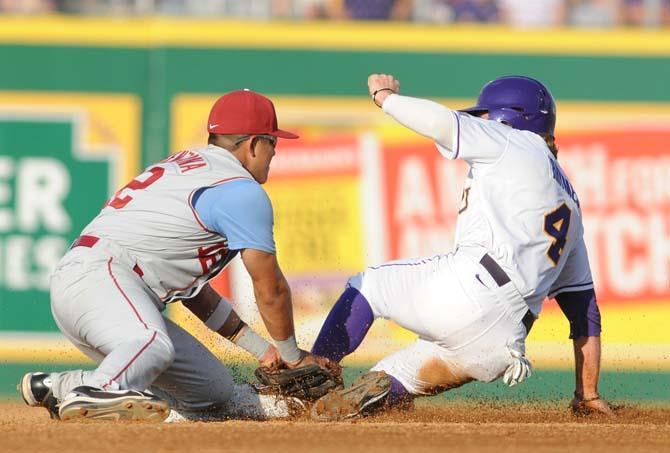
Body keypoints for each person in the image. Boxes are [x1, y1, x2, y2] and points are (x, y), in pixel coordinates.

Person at [18, 88, 338, 422]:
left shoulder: (188, 168)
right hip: (104, 277)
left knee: (212, 391)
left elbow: (195, 295)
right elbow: (270, 288)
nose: (275, 152)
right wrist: (292, 354)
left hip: (99, 286)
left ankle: (65, 386)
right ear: (254, 143)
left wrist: (264, 351)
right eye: (273, 142)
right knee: (152, 343)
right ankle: (100, 390)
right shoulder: (240, 191)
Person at [309, 74, 613, 421]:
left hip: (469, 291)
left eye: (485, 115)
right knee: (395, 375)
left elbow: (441, 122)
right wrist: (587, 394)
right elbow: (584, 310)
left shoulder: (512, 140)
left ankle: (316, 373)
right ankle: (379, 391)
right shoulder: (571, 204)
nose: (479, 121)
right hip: (501, 344)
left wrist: (386, 98)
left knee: (370, 285)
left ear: (508, 117)